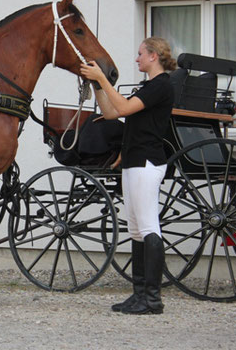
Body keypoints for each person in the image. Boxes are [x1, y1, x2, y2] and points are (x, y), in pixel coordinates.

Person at [80, 37, 176, 315]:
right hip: (133, 162)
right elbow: (111, 112)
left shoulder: (161, 86)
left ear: (154, 56)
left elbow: (122, 108)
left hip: (147, 162)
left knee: (148, 227)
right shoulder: (148, 87)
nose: (137, 59)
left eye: (140, 54)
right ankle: (138, 294)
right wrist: (98, 85)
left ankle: (153, 299)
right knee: (135, 230)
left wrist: (102, 77)